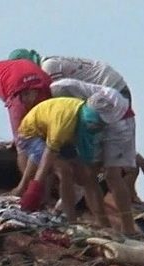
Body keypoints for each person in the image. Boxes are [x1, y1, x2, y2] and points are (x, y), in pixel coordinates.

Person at [15, 91, 128, 225]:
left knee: (87, 177)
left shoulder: (90, 128)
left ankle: (103, 222)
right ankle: (70, 219)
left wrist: (96, 175)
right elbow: (48, 157)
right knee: (64, 170)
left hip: (64, 138)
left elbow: (89, 168)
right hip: (32, 134)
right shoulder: (65, 123)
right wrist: (34, 191)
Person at [49, 78, 138, 234]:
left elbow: (135, 169)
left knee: (111, 175)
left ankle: (128, 229)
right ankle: (103, 224)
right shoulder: (62, 89)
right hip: (89, 124)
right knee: (89, 175)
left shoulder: (116, 110)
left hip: (120, 124)